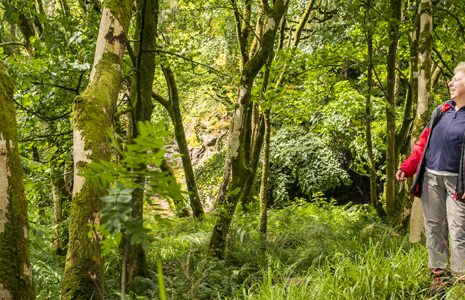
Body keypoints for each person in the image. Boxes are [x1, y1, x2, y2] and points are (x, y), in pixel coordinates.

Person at [397, 62, 465, 289]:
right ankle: (439, 275)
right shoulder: (442, 111)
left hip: (458, 183)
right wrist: (407, 167)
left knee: (458, 230)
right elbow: (422, 144)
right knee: (434, 227)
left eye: (456, 79)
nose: (450, 83)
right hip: (431, 179)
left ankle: (461, 278)